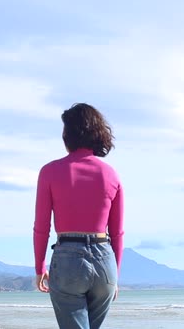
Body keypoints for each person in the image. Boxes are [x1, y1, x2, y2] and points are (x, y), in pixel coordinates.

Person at [33, 103, 124, 329]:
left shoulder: (50, 171)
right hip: (105, 262)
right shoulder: (110, 174)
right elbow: (117, 232)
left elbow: (41, 227)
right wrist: (116, 275)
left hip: (68, 260)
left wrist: (39, 268)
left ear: (68, 134)